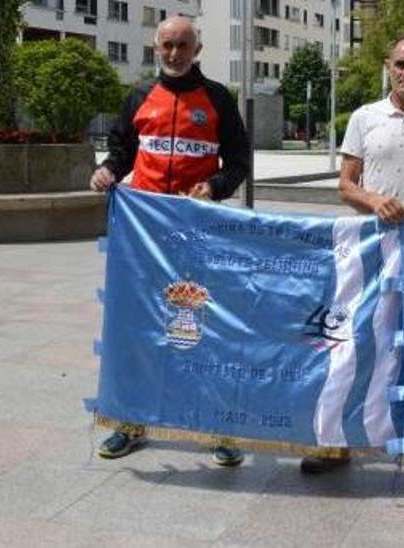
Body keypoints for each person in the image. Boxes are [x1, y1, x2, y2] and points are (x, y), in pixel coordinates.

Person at [89, 16, 250, 466]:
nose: (175, 53)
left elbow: (239, 161)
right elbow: (121, 153)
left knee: (207, 326)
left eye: (183, 45)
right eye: (167, 46)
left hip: (200, 233)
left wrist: (215, 187)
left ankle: (218, 428)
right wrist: (107, 171)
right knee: (139, 327)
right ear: (156, 49)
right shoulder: (140, 97)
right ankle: (130, 421)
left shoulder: (218, 98)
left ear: (197, 49)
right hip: (146, 236)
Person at [304, 36, 404, 483]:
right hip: (369, 250)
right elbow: (345, 186)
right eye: (400, 64)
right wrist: (374, 200)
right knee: (350, 343)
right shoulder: (364, 118)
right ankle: (335, 442)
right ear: (387, 66)